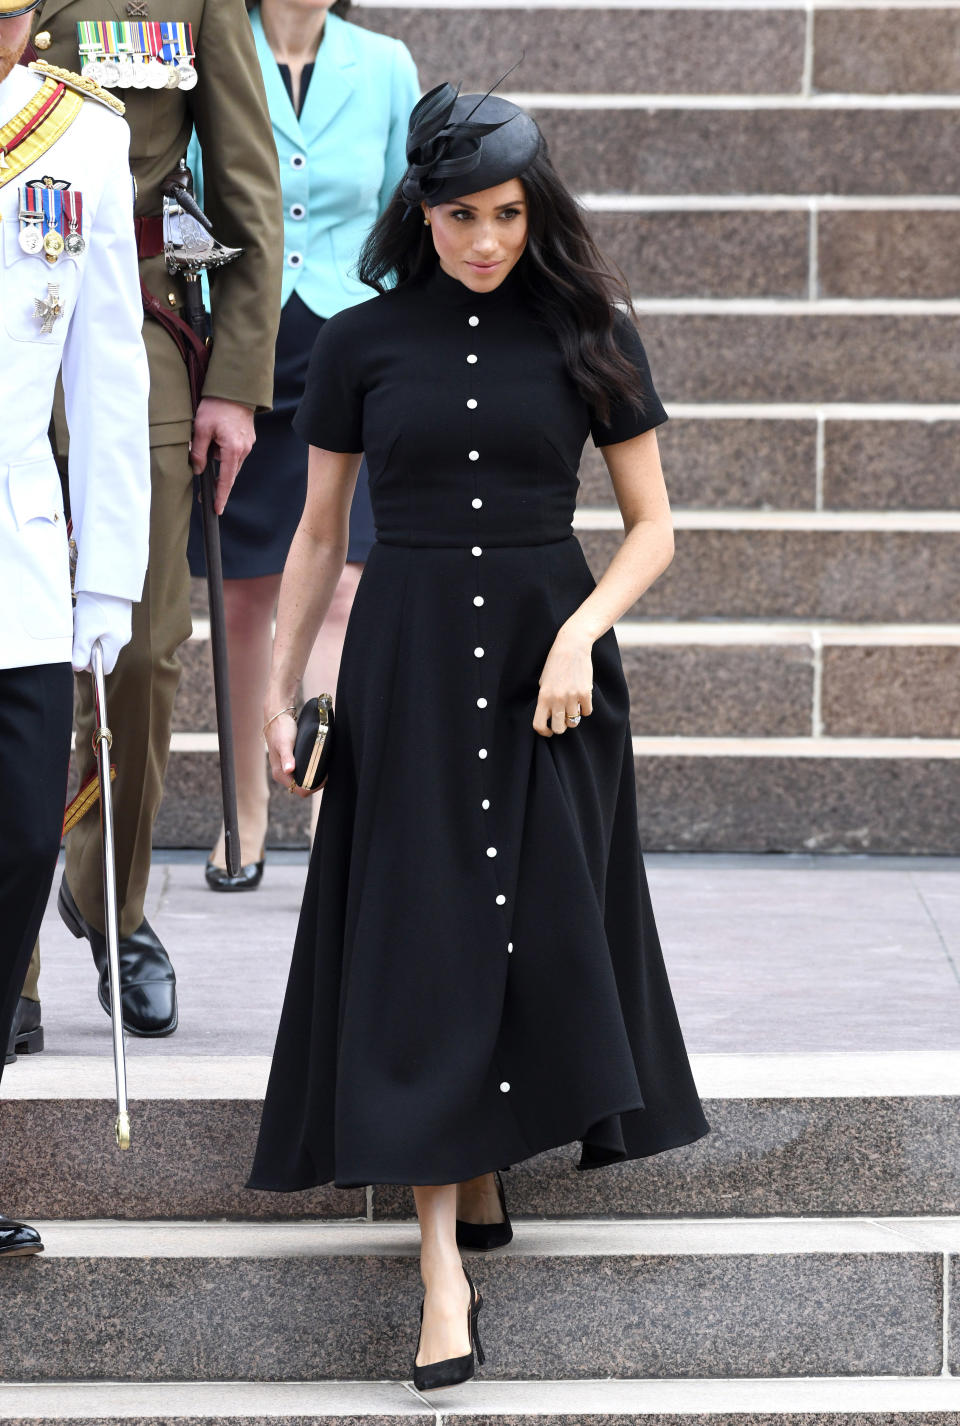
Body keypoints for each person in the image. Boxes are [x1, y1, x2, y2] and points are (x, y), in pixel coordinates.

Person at [250, 82, 710, 1389]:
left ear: (535, 208)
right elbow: (321, 536)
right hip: (400, 666)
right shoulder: (357, 344)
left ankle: (491, 1150)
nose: (488, 240)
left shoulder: (589, 331)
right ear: (422, 213)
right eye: (461, 217)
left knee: (526, 921)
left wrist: (579, 634)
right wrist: (285, 696)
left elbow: (657, 529)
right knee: (425, 936)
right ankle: (441, 1269)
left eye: (508, 213)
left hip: (547, 663)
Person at [10, 0, 283, 1054]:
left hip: (135, 335)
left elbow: (249, 185)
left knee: (143, 653)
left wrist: (237, 382)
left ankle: (110, 902)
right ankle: (11, 963)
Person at [187, 0, 419, 890]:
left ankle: (330, 807)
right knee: (244, 594)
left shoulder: (385, 63)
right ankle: (242, 814)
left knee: (343, 590)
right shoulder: (217, 41)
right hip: (243, 342)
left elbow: (409, 207)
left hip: (350, 342)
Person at [0, 0, 150, 1251]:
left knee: (10, 860)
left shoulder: (80, 138)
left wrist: (111, 578)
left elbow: (108, 370)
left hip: (19, 567)